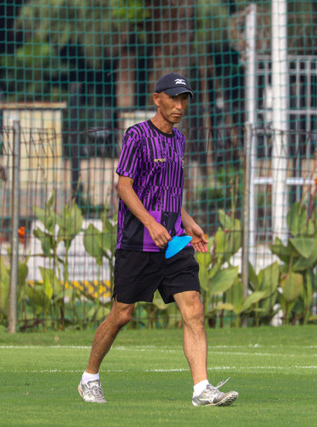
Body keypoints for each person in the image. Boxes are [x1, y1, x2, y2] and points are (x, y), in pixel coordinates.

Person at [78, 72, 238, 407]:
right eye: (174, 98)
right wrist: (151, 224)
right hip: (139, 241)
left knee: (193, 308)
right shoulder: (137, 136)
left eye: (184, 99)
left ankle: (201, 389)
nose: (180, 106)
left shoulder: (178, 141)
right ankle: (89, 377)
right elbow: (124, 186)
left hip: (175, 242)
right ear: (157, 99)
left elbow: (169, 194)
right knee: (122, 314)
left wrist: (188, 223)